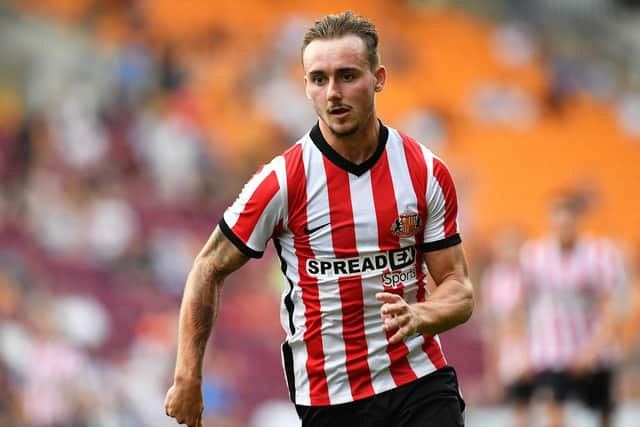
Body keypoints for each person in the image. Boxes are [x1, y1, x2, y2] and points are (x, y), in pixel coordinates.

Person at [164, 11, 474, 427]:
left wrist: (421, 315)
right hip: (332, 396)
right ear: (306, 86)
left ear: (378, 78)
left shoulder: (424, 170)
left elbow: (459, 288)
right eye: (319, 79)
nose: (333, 93)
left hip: (419, 381)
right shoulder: (282, 180)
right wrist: (188, 376)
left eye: (347, 76)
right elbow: (207, 267)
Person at [519, 191, 627, 427]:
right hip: (551, 351)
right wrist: (525, 349)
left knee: (603, 411)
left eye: (568, 217)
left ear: (578, 219)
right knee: (554, 410)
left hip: (593, 351)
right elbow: (525, 305)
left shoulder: (599, 254)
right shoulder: (533, 256)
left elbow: (609, 307)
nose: (563, 224)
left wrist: (593, 349)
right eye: (557, 217)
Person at [479, 229, 531, 427]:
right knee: (519, 404)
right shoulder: (492, 278)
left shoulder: (528, 274)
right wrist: (492, 365)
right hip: (510, 349)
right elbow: (492, 322)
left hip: (530, 346)